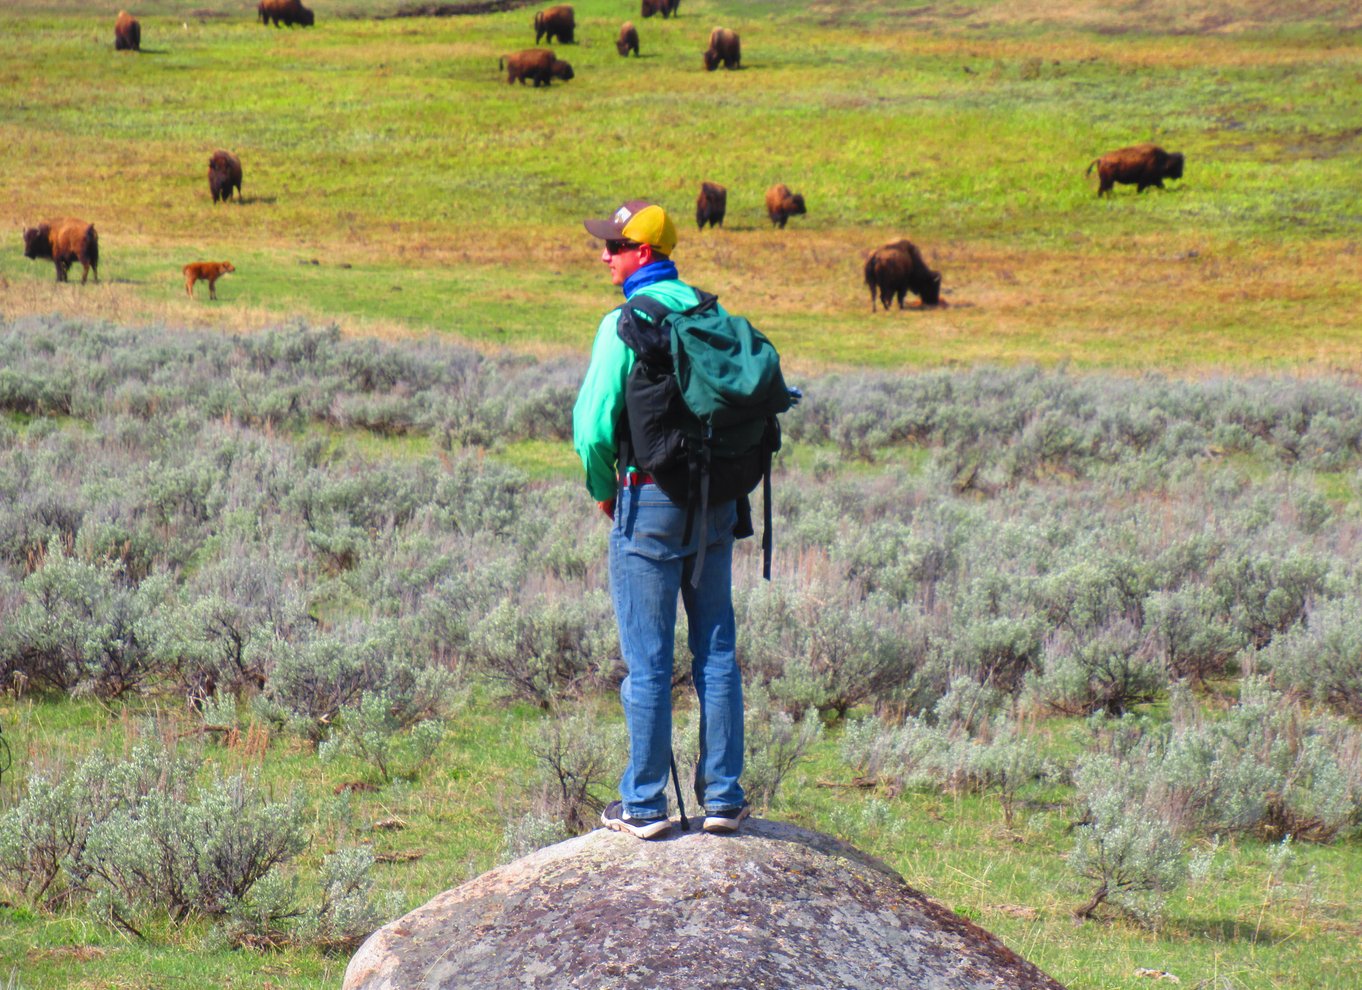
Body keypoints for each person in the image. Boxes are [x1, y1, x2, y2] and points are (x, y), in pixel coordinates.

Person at [573, 199, 750, 840]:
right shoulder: (712, 312)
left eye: (614, 247)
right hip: (716, 502)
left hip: (646, 499)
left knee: (647, 661)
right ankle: (724, 797)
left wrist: (603, 491)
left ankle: (645, 804)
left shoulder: (622, 321)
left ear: (642, 253)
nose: (604, 256)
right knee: (717, 651)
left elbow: (592, 427)